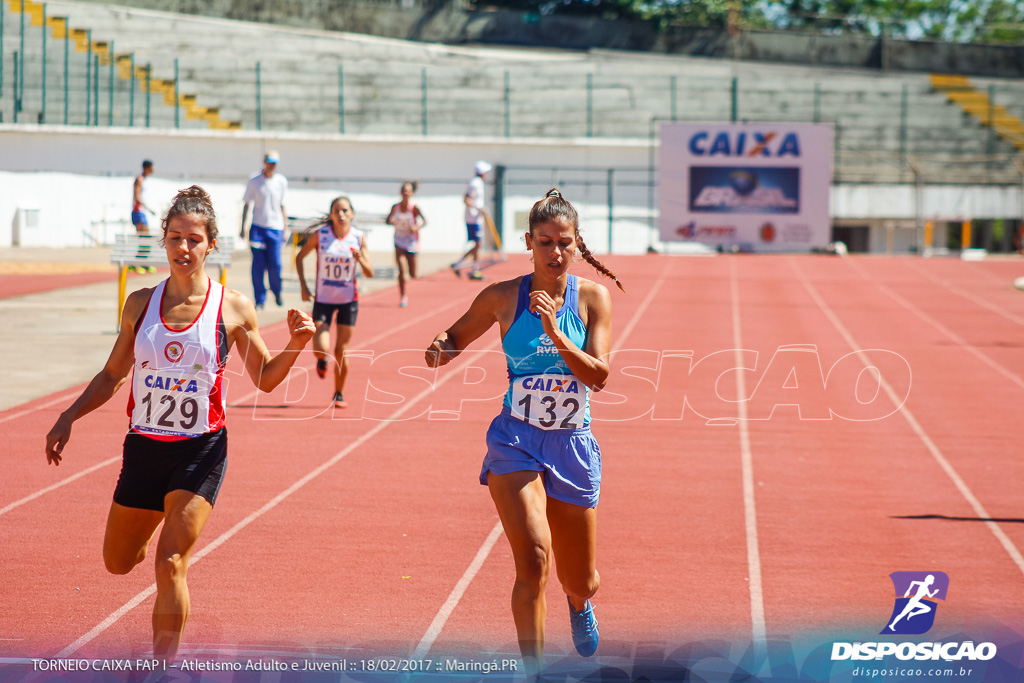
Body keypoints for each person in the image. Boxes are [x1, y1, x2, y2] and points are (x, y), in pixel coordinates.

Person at [45, 186, 316, 663]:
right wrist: (69, 416)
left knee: (170, 563)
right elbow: (113, 374)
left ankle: (161, 669)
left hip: (200, 451)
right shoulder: (139, 305)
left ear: (211, 245)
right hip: (144, 450)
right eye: (175, 238)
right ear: (164, 243)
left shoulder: (232, 308)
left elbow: (267, 379)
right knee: (118, 562)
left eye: (194, 239)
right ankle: (157, 520)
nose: (184, 248)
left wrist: (296, 343)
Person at [425, 189, 624, 676]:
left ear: (577, 246)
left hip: (573, 444)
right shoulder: (500, 297)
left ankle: (578, 604)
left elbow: (597, 376)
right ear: (528, 243)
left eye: (565, 243)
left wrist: (556, 332)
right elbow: (453, 337)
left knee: (582, 579)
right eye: (545, 242)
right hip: (516, 439)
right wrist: (439, 348)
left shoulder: (592, 298)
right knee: (534, 559)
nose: (555, 252)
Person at [295, 196, 373, 409]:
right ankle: (322, 361)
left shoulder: (358, 237)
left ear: (352, 214)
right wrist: (304, 286)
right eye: (337, 211)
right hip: (324, 299)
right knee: (322, 348)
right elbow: (299, 257)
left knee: (342, 350)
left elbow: (370, 271)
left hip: (348, 300)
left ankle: (338, 393)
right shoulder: (320, 236)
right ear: (331, 215)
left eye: (345, 211)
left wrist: (360, 259)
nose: (341, 215)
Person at [240, 150, 288, 309]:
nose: (272, 166)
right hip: (258, 229)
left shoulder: (281, 181)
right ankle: (259, 299)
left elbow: (283, 206)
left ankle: (277, 291)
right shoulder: (254, 181)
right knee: (258, 266)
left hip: (276, 229)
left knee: (275, 265)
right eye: (269, 162)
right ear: (264, 162)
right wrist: (242, 227)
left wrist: (285, 229)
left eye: (275, 163)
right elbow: (247, 204)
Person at [386, 181, 427, 307]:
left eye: (408, 191)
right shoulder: (395, 207)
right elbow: (388, 220)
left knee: (413, 274)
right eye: (404, 191)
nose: (406, 193)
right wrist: (393, 222)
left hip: (411, 241)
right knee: (402, 269)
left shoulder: (414, 207)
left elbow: (425, 221)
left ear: (411, 193)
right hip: (399, 240)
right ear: (401, 192)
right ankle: (403, 296)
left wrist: (416, 227)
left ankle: (409, 280)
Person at [451, 160, 491, 281]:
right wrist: (479, 208)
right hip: (473, 218)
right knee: (478, 244)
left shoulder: (477, 183)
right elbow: (466, 199)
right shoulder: (475, 183)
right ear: (482, 173)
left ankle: (474, 269)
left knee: (477, 244)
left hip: (475, 217)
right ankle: (460, 265)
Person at [130, 160, 157, 273]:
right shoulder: (139, 179)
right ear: (146, 168)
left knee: (147, 238)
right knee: (143, 237)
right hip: (138, 211)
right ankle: (135, 264)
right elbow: (137, 196)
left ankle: (143, 262)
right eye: (152, 167)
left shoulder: (145, 180)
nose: (153, 170)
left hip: (142, 212)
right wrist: (149, 208)